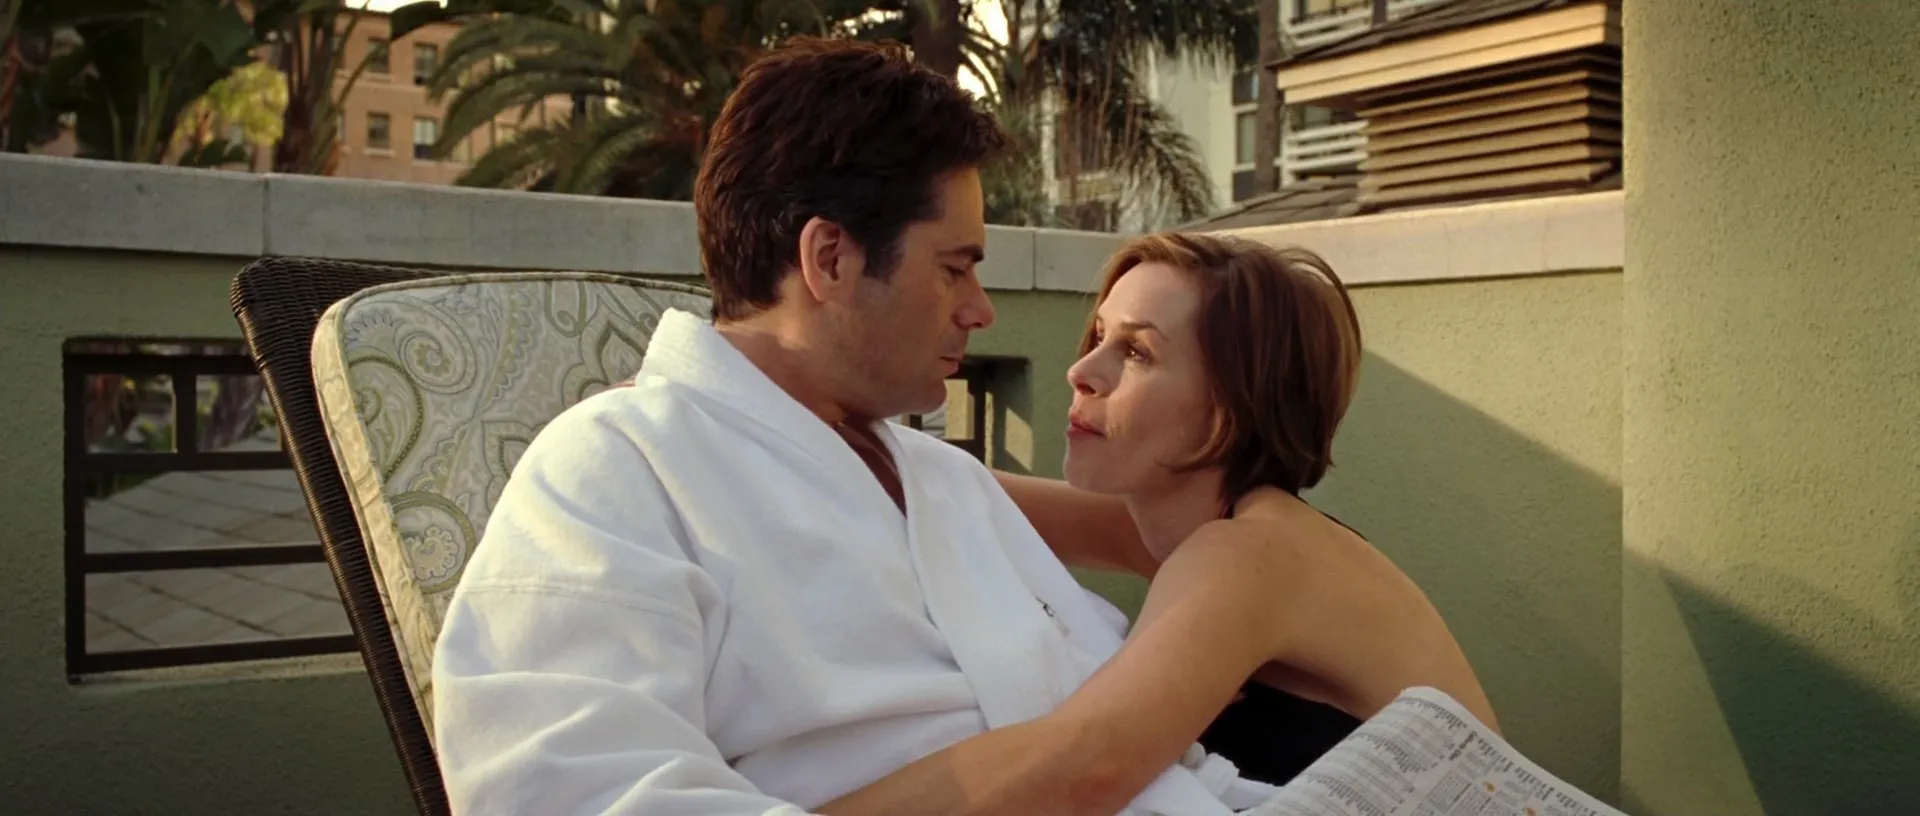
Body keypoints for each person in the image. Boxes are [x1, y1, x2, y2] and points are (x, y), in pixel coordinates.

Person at [432, 37, 1282, 816]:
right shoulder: (620, 466)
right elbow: (562, 791)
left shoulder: (937, 476)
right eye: (953, 270)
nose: (980, 310)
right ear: (830, 258)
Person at [836, 234, 1501, 810]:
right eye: (1099, 337)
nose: (1081, 372)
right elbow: (943, 491)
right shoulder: (1186, 523)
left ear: (1232, 407)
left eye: (1137, 353)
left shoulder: (1252, 554)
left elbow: (1079, 767)